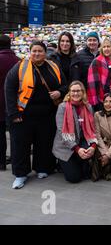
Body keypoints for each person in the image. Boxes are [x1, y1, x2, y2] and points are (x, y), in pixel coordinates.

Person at [5, 40, 67, 189]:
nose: (37, 54)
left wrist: (60, 92)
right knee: (20, 145)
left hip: (47, 114)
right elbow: (9, 90)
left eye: (40, 51)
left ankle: (42, 168)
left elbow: (65, 85)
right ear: (30, 52)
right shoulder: (19, 67)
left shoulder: (53, 66)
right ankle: (21, 174)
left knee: (44, 142)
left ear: (45, 53)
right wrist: (13, 113)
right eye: (34, 51)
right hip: (23, 114)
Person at [53, 81, 98, 183]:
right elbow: (62, 132)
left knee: (86, 175)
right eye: (73, 91)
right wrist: (77, 149)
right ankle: (64, 162)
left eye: (78, 91)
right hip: (65, 146)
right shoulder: (62, 107)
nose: (76, 93)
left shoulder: (88, 107)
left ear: (83, 92)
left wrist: (93, 146)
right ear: (69, 92)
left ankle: (79, 161)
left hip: (81, 141)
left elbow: (93, 129)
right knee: (74, 178)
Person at [87, 38, 111, 112]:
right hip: (101, 98)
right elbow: (93, 83)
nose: (106, 49)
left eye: (108, 46)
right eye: (104, 47)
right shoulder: (97, 61)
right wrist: (96, 101)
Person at [0, 35, 19, 171]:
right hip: (15, 103)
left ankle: (1, 162)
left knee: (0, 133)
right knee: (15, 133)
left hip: (0, 102)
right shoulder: (19, 60)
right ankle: (15, 158)